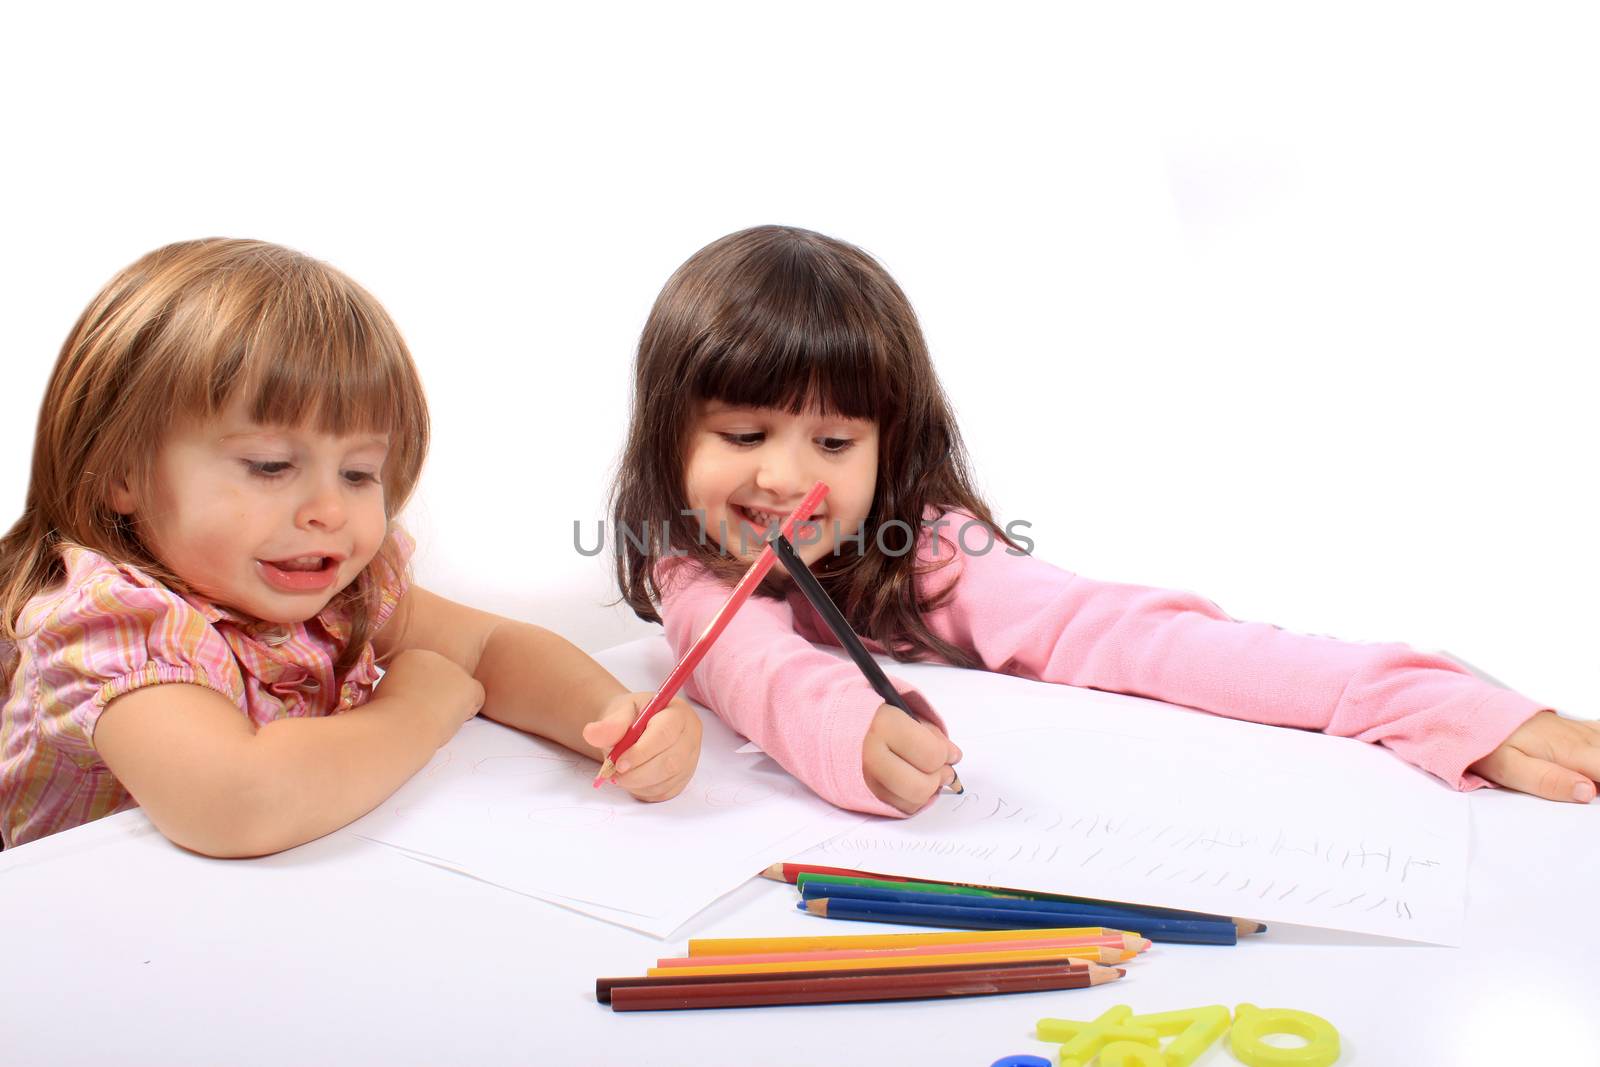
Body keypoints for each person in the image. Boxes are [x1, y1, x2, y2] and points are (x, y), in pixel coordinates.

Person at [612, 224, 1596, 817]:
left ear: (889, 446)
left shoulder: (926, 546)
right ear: (670, 428)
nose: (787, 477)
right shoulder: (691, 566)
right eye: (744, 432)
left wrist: (1437, 708)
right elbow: (749, 662)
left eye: (834, 444)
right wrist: (849, 734)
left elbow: (1130, 636)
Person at [0, 238, 702, 853]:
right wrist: (415, 709)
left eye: (360, 472)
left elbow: (490, 647)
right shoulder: (110, 615)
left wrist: (614, 716)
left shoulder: (335, 587)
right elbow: (238, 803)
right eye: (271, 465)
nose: (330, 509)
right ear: (123, 470)